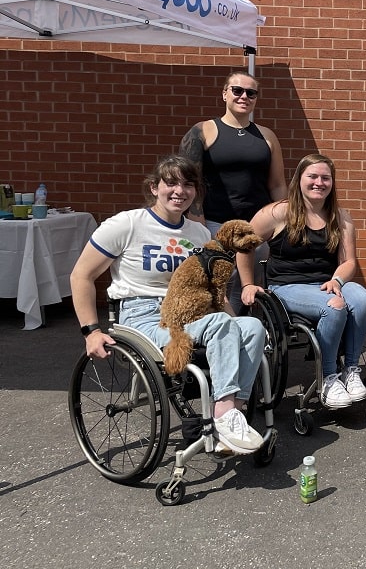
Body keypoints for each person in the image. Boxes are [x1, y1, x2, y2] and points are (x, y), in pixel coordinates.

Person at [70, 155, 266, 454]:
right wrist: (91, 331)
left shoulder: (199, 234)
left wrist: (233, 321)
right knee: (223, 324)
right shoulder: (127, 224)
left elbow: (216, 291)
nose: (180, 191)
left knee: (251, 326)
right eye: (171, 183)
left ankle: (228, 414)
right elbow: (81, 275)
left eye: (188, 184)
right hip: (144, 316)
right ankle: (226, 415)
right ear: (153, 187)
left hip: (196, 313)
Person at [240, 153, 366, 409]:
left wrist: (337, 279)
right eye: (312, 176)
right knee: (334, 306)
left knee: (361, 296)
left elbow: (349, 262)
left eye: (325, 178)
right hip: (286, 287)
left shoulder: (340, 217)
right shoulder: (277, 213)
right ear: (299, 179)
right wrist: (247, 284)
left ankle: (351, 369)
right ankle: (329, 376)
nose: (319, 182)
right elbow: (243, 246)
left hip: (326, 284)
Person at [179, 70, 287, 311]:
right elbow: (188, 183)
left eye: (251, 92)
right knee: (220, 288)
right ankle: (226, 338)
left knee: (252, 289)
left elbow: (278, 184)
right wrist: (199, 227)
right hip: (216, 225)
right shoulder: (202, 131)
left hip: (258, 229)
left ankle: (252, 336)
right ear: (225, 94)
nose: (244, 96)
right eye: (237, 90)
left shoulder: (267, 136)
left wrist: (285, 224)